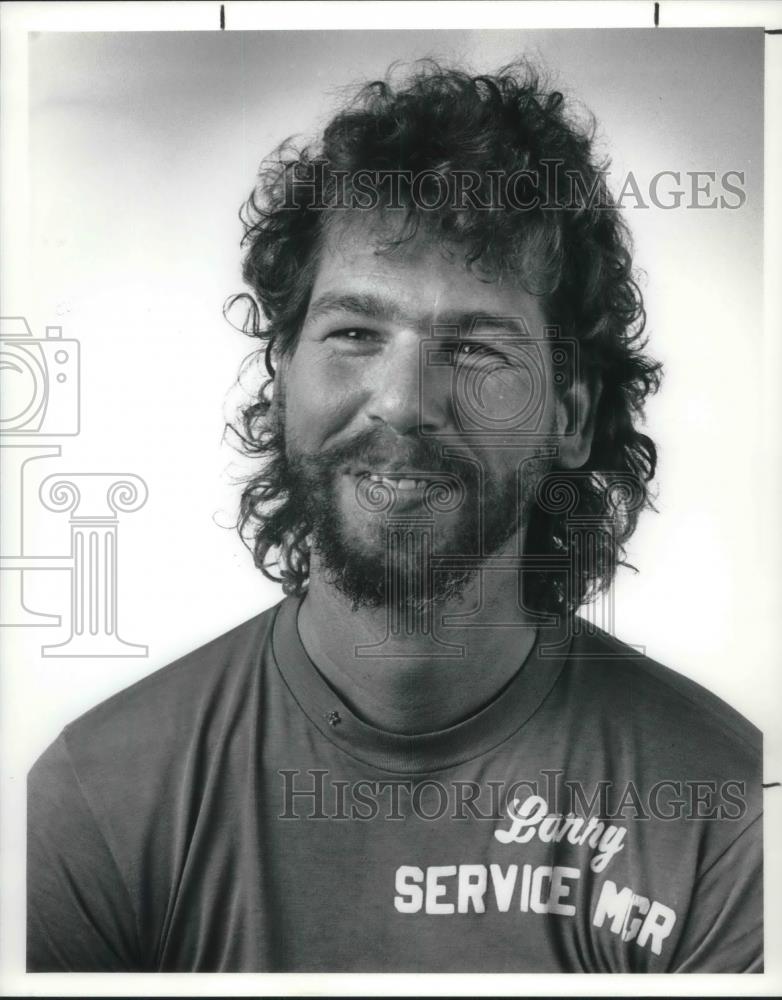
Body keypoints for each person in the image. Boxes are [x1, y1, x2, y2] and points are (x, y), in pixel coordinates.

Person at [27, 60, 762, 973]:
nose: (405, 400)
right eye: (354, 333)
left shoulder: (726, 815)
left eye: (476, 346)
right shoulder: (99, 799)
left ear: (570, 414)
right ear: (282, 375)